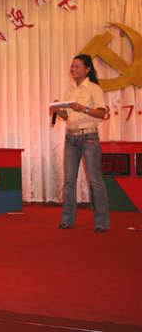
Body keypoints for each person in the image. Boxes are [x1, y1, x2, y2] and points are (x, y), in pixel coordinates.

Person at [49, 54, 110, 232]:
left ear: (87, 69)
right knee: (69, 181)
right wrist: (58, 111)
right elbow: (69, 116)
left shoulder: (94, 89)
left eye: (77, 66)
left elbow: (101, 113)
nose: (73, 69)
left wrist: (84, 109)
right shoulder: (70, 91)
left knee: (95, 180)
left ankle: (102, 222)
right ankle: (67, 220)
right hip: (71, 137)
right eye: (72, 66)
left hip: (89, 137)